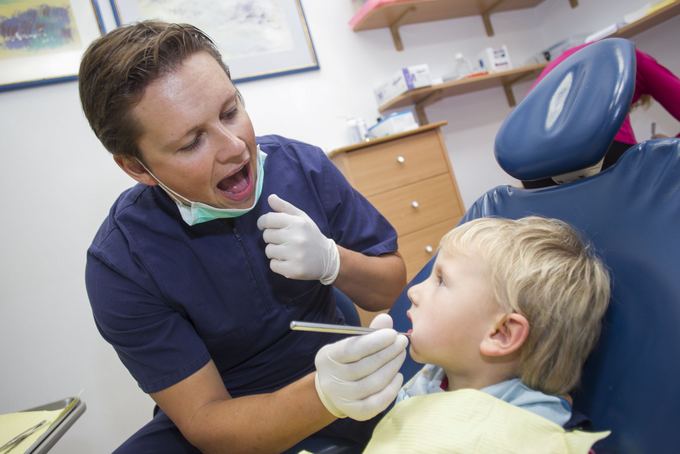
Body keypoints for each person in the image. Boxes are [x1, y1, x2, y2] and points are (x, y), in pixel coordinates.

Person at [80, 21, 409, 453]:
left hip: (336, 368)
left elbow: (391, 286)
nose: (234, 147)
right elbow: (205, 419)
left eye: (230, 111)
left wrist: (334, 261)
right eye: (192, 141)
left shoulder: (301, 167)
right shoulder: (122, 264)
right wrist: (323, 395)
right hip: (236, 413)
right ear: (137, 168)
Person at [351, 216, 612, 452]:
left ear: (501, 334)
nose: (413, 291)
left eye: (441, 280)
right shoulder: (431, 381)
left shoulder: (535, 440)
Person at [523, 41, 680, 188]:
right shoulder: (634, 58)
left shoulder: (564, 63)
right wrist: (668, 147)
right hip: (598, 151)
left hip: (529, 164)